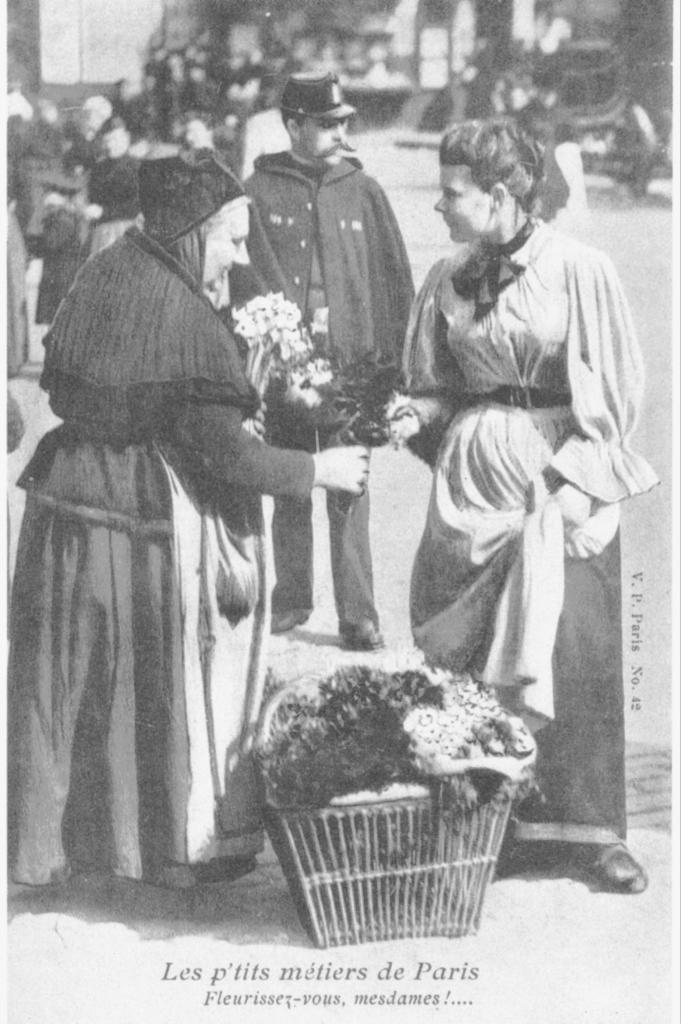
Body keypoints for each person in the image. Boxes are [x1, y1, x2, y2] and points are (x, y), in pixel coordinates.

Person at [7, 150, 369, 889]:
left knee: (72, 686)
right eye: (232, 239)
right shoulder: (184, 317)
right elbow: (225, 455)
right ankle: (158, 851)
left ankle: (67, 851)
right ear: (196, 232)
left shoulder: (105, 272)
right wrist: (317, 470)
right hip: (133, 523)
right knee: (146, 686)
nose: (239, 258)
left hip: (63, 513)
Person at [399, 120, 658, 893]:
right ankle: (496, 824)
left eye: (453, 193)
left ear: (502, 194)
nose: (440, 207)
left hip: (554, 481)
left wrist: (572, 487)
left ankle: (591, 832)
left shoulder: (580, 269)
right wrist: (418, 418)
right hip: (473, 489)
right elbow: (435, 387)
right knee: (473, 657)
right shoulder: (447, 277)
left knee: (571, 640)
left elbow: (613, 394)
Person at [246, 72, 414, 649]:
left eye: (345, 123)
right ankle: (292, 598)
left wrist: (395, 368)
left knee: (351, 487)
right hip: (289, 364)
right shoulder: (260, 189)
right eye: (327, 124)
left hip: (353, 364)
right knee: (293, 481)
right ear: (294, 126)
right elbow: (247, 277)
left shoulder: (361, 189)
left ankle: (359, 614)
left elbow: (393, 280)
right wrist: (273, 357)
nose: (341, 132)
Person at [86, 116, 140, 255]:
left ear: (126, 138)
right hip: (101, 234)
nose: (110, 145)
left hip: (129, 233)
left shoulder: (137, 167)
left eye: (115, 139)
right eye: (107, 141)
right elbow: (93, 200)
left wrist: (104, 212)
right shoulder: (98, 169)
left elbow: (138, 206)